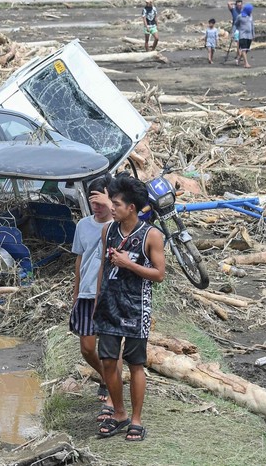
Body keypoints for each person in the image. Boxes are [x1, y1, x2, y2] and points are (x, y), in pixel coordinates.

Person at [94, 176, 166, 442]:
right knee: (109, 361)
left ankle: (136, 419)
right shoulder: (108, 231)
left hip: (136, 308)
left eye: (116, 204)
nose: (112, 208)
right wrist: (97, 300)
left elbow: (159, 274)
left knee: (135, 364)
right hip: (109, 306)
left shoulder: (151, 235)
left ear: (131, 208)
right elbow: (103, 266)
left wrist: (129, 264)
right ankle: (119, 413)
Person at [69, 175, 120, 424]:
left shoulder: (120, 225)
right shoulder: (83, 226)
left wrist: (110, 206)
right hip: (87, 293)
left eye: (100, 201)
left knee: (111, 349)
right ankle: (106, 377)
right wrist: (77, 292)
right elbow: (80, 260)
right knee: (87, 348)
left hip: (110, 295)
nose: (96, 207)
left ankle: (112, 397)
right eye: (93, 203)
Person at [234, 4, 255, 68]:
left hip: (249, 35)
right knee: (243, 49)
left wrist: (253, 34)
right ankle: (246, 63)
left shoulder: (250, 16)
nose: (251, 11)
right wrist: (237, 31)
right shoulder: (240, 16)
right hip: (242, 35)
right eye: (250, 10)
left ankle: (239, 59)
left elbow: (252, 25)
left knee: (246, 49)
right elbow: (236, 24)